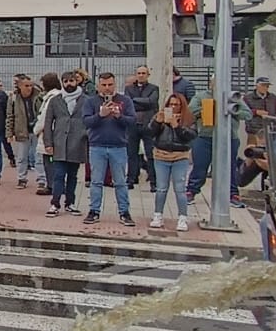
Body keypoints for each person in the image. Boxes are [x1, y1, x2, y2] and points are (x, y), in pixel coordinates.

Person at [84, 71, 136, 225]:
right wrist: (100, 115)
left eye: (110, 85)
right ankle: (94, 211)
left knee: (120, 181)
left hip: (118, 146)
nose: (107, 88)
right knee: (96, 181)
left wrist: (119, 116)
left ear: (115, 84)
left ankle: (124, 212)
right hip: (97, 146)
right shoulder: (91, 101)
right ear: (98, 85)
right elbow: (86, 122)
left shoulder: (125, 100)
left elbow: (132, 121)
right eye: (104, 85)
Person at [40, 70, 89, 215]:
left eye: (71, 81)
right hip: (59, 143)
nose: (69, 84)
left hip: (77, 143)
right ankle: (55, 203)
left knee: (73, 176)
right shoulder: (56, 100)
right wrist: (48, 143)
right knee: (58, 175)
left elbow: (90, 121)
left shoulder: (85, 100)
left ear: (77, 81)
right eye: (66, 81)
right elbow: (48, 122)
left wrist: (85, 136)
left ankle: (70, 203)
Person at [148, 92, 198, 231]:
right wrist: (157, 122)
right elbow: (150, 133)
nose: (174, 107)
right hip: (161, 155)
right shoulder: (161, 115)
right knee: (161, 188)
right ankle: (158, 215)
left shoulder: (188, 118)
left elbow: (191, 136)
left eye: (177, 104)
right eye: (171, 104)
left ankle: (182, 217)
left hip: (180, 156)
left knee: (180, 189)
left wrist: (176, 126)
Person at [125, 64, 161, 188]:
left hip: (148, 125)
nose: (141, 75)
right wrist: (142, 101)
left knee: (150, 154)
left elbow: (152, 102)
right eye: (139, 73)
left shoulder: (154, 88)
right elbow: (128, 103)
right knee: (132, 154)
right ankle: (130, 180)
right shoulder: (129, 88)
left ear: (148, 75)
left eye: (143, 73)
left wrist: (135, 100)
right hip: (133, 125)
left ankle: (153, 182)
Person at [6, 74, 41, 188]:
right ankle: (22, 178)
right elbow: (10, 116)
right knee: (21, 157)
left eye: (31, 85)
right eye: (26, 85)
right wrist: (9, 133)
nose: (29, 88)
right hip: (22, 130)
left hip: (37, 131)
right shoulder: (14, 98)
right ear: (20, 86)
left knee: (39, 156)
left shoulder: (38, 96)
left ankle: (42, 179)